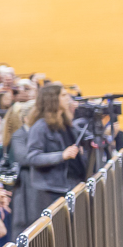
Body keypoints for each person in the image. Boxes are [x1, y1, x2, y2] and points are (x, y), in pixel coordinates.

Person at [22, 81, 84, 220]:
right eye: (63, 95)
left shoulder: (66, 124)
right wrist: (61, 155)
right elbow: (32, 157)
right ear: (52, 99)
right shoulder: (40, 127)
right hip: (53, 190)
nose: (67, 98)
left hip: (72, 184)